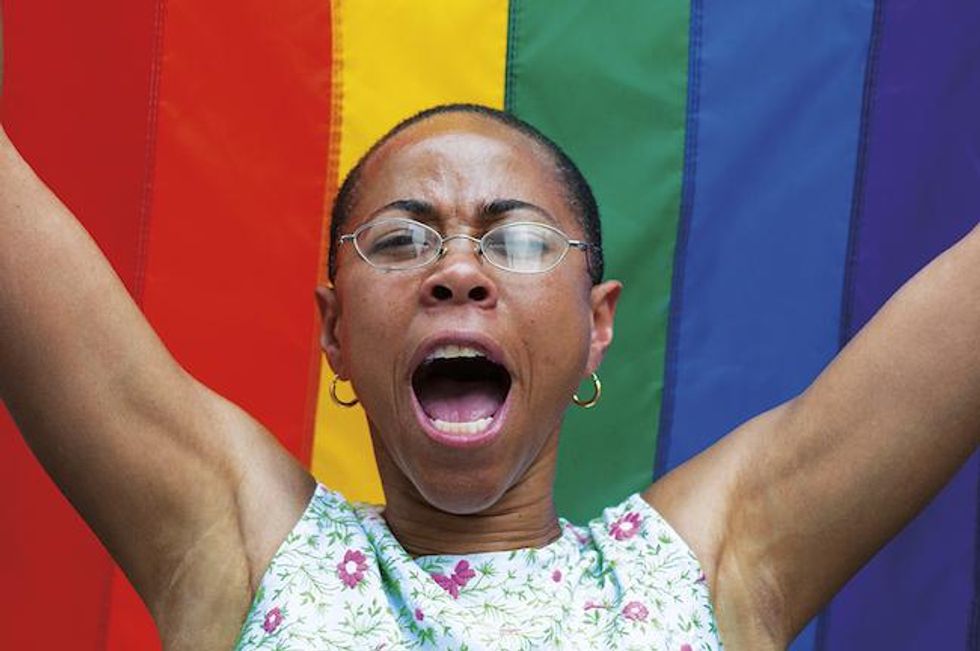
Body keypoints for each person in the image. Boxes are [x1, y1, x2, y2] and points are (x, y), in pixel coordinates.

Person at [2, 86, 978, 650]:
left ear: (595, 325)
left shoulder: (706, 568)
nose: (458, 271)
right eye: (401, 239)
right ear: (335, 332)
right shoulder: (246, 551)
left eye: (515, 240)